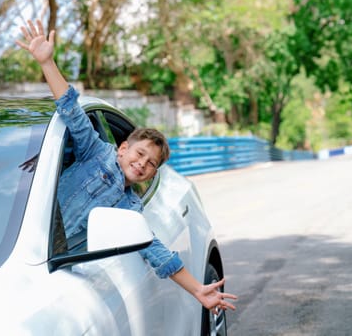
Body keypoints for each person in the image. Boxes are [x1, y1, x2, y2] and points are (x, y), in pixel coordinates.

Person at [16, 19, 237, 314]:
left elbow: (157, 253)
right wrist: (47, 62)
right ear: (122, 148)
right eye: (140, 153)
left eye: (151, 163)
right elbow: (71, 110)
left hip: (55, 261)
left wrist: (199, 290)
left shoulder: (129, 207)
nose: (142, 163)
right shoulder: (94, 152)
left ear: (153, 173)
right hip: (28, 245)